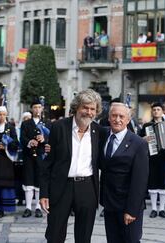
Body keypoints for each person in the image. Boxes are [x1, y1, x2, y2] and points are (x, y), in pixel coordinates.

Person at [40, 89, 102, 243]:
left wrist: (142, 141)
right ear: (76, 108)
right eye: (85, 108)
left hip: (87, 188)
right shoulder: (59, 127)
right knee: (54, 235)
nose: (88, 112)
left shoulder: (99, 132)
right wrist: (44, 193)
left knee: (84, 236)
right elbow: (48, 163)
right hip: (61, 187)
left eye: (92, 109)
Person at [100, 103, 149, 243]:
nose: (117, 119)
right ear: (108, 118)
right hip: (109, 204)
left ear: (128, 120)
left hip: (128, 205)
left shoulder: (138, 143)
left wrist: (132, 210)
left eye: (121, 116)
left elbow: (140, 180)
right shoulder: (102, 135)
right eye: (114, 116)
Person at [139, 102, 165, 219]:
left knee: (164, 183)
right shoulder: (147, 126)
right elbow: (138, 140)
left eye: (158, 109)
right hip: (152, 157)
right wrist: (144, 139)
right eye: (154, 110)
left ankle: (162, 209)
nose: (156, 112)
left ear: (162, 111)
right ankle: (154, 209)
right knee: (153, 182)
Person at [20, 99, 49, 218]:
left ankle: (37, 207)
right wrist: (29, 142)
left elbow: (52, 137)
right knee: (28, 180)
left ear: (42, 109)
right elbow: (22, 138)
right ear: (32, 109)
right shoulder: (26, 123)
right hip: (28, 156)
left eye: (39, 107)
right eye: (35, 107)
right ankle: (27, 207)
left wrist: (44, 139)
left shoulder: (46, 123)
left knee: (39, 181)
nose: (37, 109)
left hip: (41, 156)